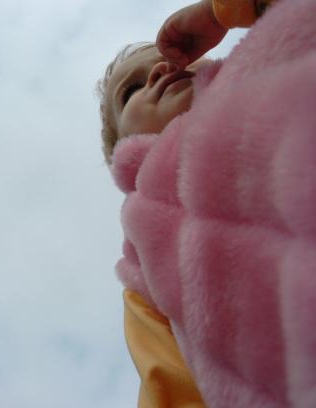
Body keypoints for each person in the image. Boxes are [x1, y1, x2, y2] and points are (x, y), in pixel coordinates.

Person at [98, 0, 316, 406]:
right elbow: (169, 387)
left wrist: (229, 10)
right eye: (131, 90)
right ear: (121, 146)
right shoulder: (143, 259)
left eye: (177, 60)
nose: (161, 71)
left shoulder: (268, 69)